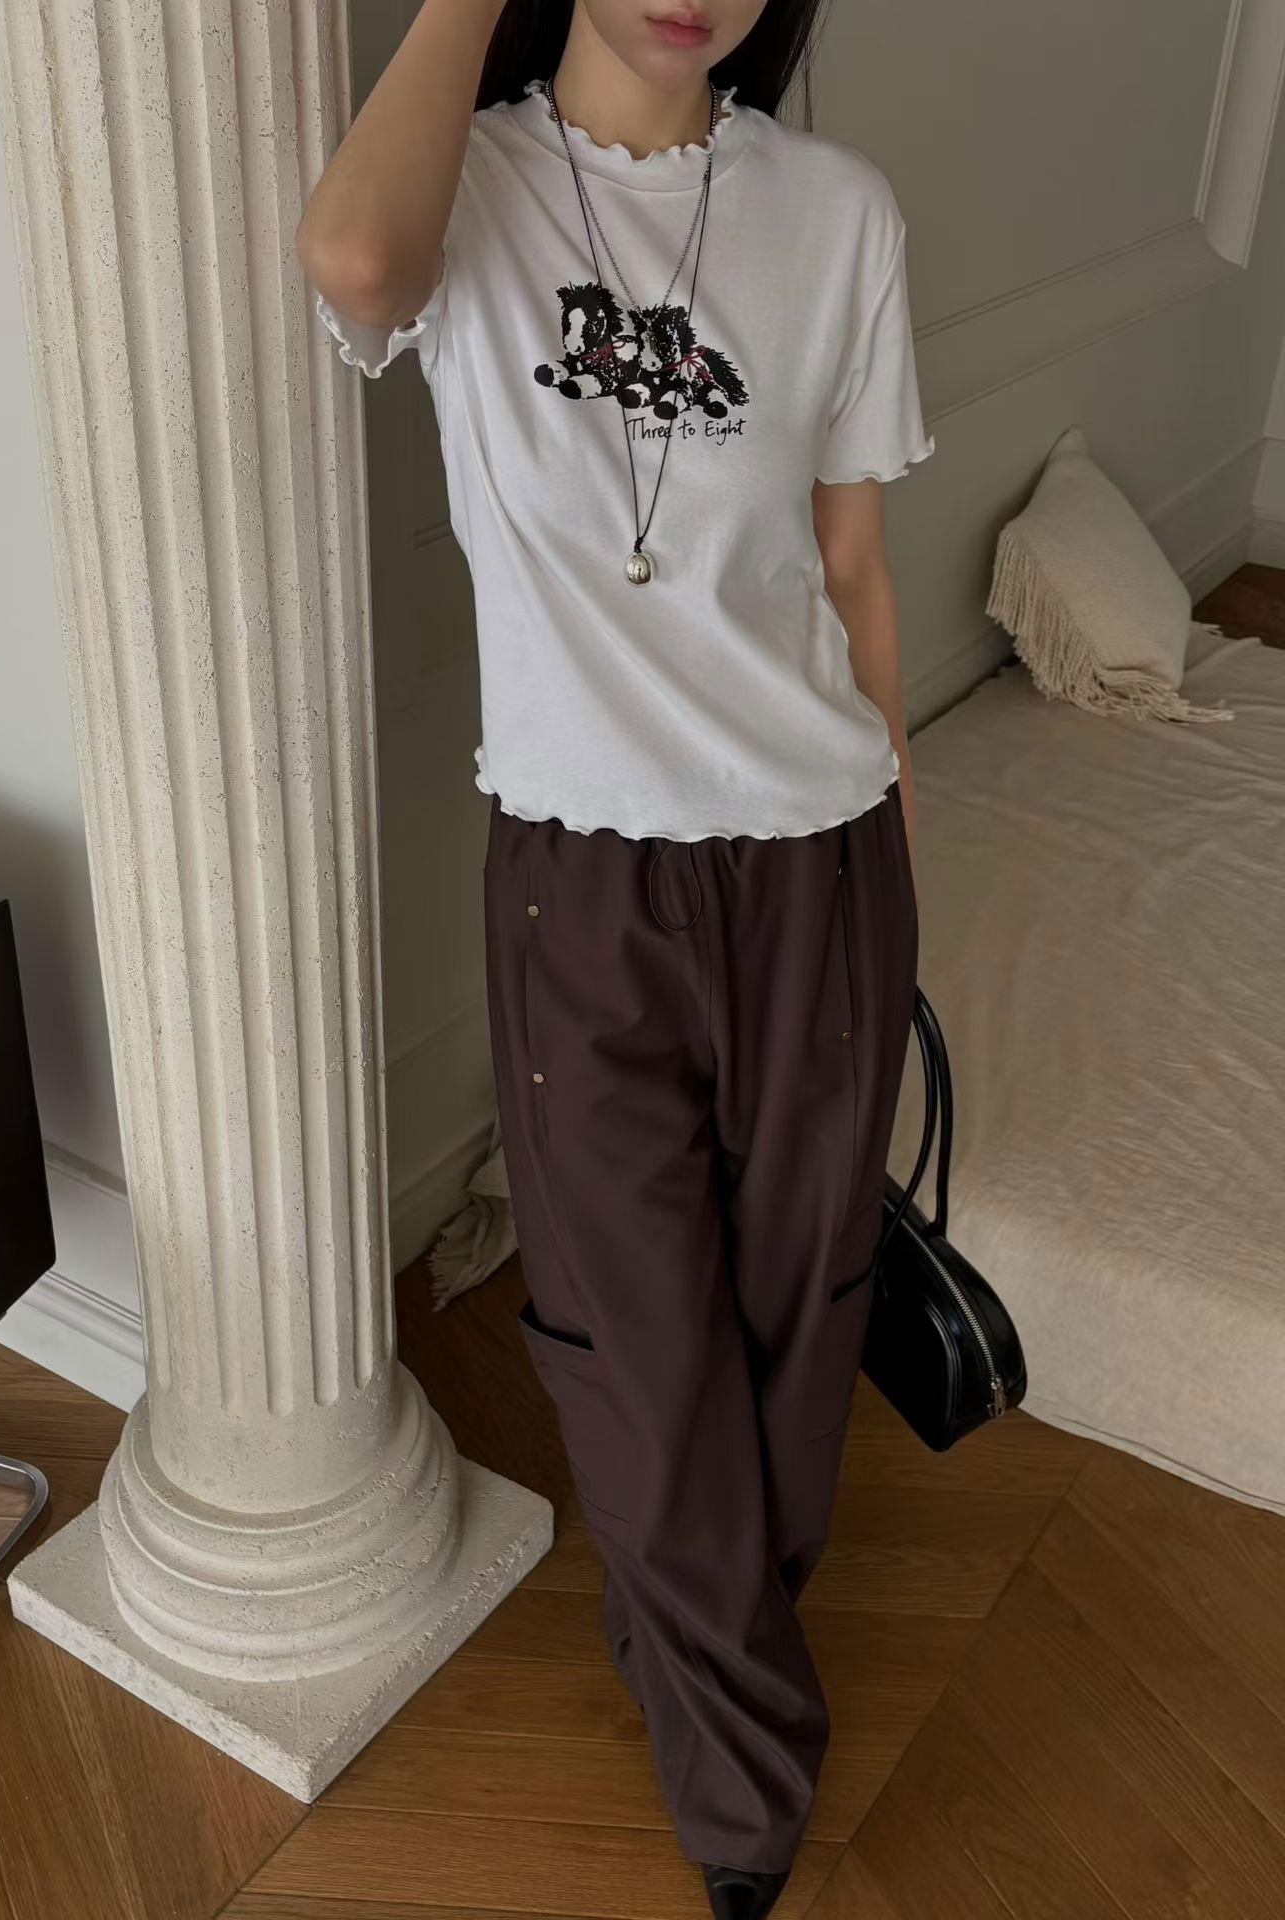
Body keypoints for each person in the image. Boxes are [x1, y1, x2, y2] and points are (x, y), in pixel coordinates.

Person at [298, 3, 932, 1913]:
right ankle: (747, 1796)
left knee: (801, 1306)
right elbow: (353, 263)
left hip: (820, 858)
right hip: (581, 872)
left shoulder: (838, 208)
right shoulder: (468, 188)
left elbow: (852, 570)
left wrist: (899, 866)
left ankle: (707, 1643)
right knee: (625, 1328)